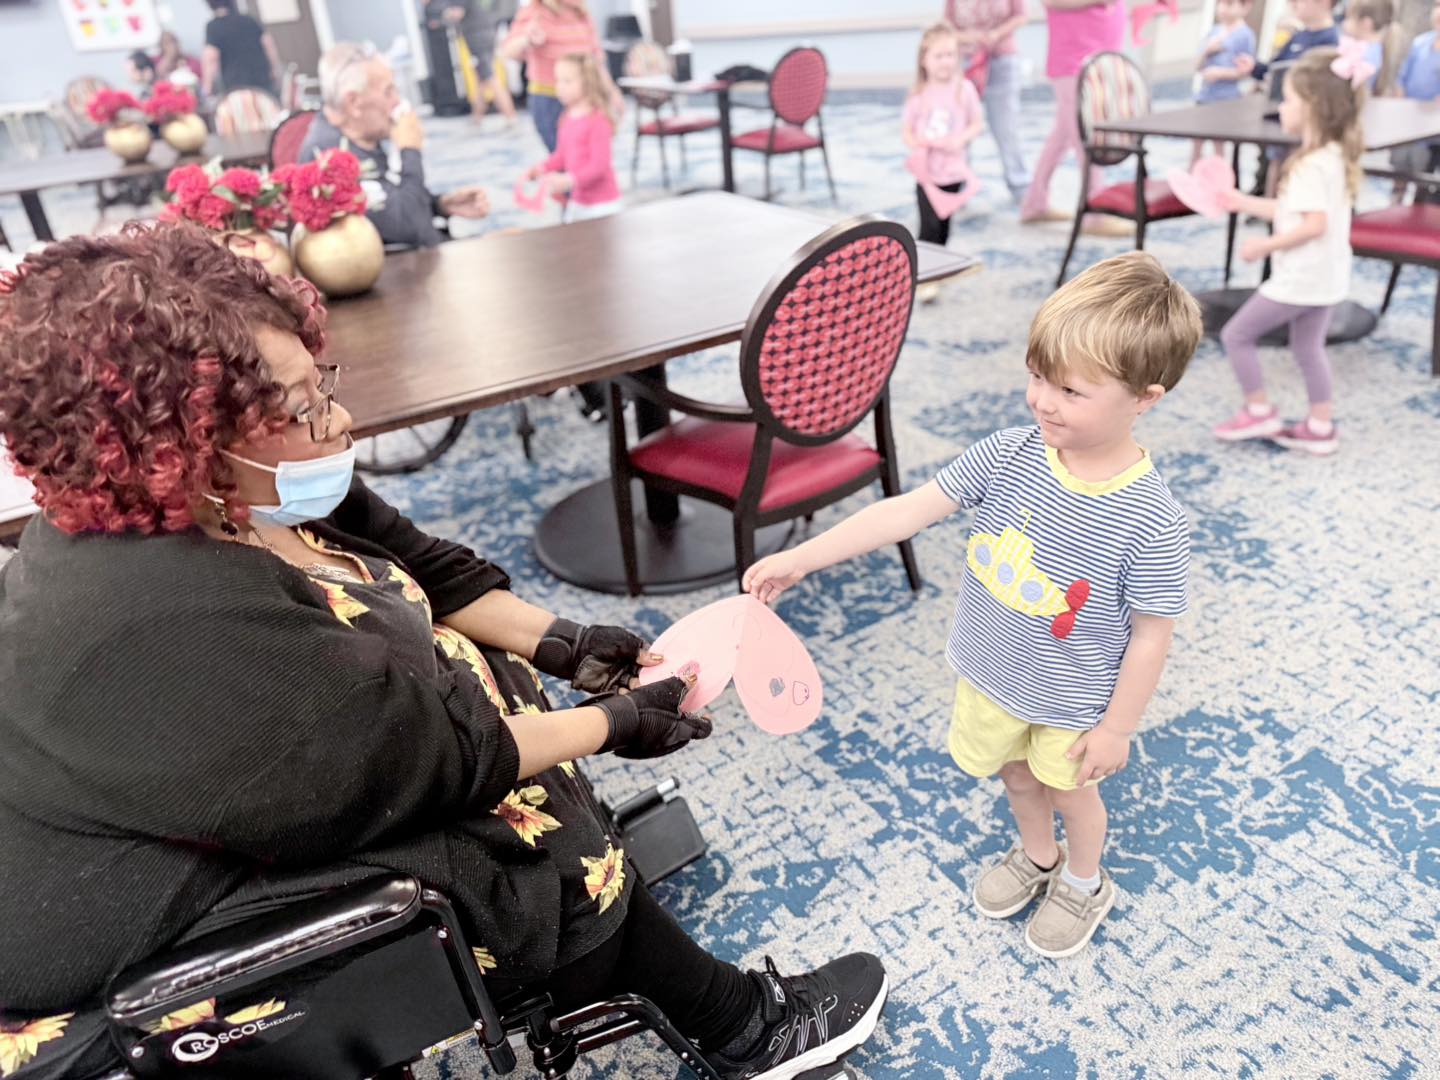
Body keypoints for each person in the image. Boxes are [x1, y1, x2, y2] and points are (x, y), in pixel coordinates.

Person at [0, 223, 890, 1080]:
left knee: (474, 667)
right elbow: (436, 759)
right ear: (190, 447)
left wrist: (565, 644)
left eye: (323, 385)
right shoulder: (165, 622)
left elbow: (427, 570)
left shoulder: (248, 495)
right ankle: (735, 1026)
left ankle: (618, 896)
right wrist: (609, 724)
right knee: (496, 849)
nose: (339, 418)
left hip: (251, 780)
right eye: (306, 407)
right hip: (125, 920)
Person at [746, 251, 1202, 959]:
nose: (1042, 401)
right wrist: (802, 557)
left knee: (1073, 793)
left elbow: (1151, 634)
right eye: (1036, 378)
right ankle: (1038, 855)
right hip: (992, 674)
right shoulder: (1007, 454)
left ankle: (1084, 879)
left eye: (1071, 391)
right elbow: (906, 512)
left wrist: (1118, 728)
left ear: (1146, 396)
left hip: (1074, 701)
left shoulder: (1150, 518)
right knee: (1014, 776)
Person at [1213, 48, 1362, 456]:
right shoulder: (1331, 157)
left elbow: (1314, 225)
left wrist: (1264, 245)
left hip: (1299, 278)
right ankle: (1320, 424)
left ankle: (1258, 409)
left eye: (1290, 99)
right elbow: (1294, 212)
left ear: (1313, 107)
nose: (1282, 106)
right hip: (1327, 277)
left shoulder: (1310, 165)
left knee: (1236, 334)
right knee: (1307, 348)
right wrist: (1243, 201)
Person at [300, 42, 492, 249]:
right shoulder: (331, 159)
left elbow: (389, 202)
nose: (398, 102)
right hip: (409, 268)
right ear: (354, 103)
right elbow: (409, 227)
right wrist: (410, 150)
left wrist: (439, 205)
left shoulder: (358, 135)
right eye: (388, 92)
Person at [1018, 0, 1131, 235]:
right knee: (1086, 133)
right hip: (1074, 60)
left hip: (1096, 55)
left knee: (1062, 135)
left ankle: (1035, 203)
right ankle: (1095, 211)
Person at [903, 23, 984, 303]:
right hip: (926, 174)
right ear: (924, 60)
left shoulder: (965, 90)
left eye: (950, 54)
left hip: (953, 172)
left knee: (944, 225)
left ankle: (934, 265)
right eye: (939, 55)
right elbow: (907, 131)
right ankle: (924, 273)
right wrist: (917, 141)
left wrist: (960, 138)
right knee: (929, 226)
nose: (946, 61)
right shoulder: (919, 93)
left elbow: (977, 123)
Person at [944, 0, 1032, 203]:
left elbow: (1021, 15)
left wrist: (996, 34)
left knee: (1006, 128)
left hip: (1001, 59)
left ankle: (1020, 187)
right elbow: (947, 26)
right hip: (964, 63)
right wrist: (968, 37)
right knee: (958, 128)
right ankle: (957, 188)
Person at [502, 0, 617, 152]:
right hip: (549, 99)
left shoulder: (580, 12)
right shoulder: (535, 11)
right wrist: (528, 40)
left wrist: (611, 92)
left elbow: (596, 58)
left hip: (586, 98)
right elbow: (509, 51)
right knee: (565, 158)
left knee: (589, 155)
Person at [526, 52, 622, 221]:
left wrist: (570, 180)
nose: (559, 87)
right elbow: (562, 156)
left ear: (587, 83)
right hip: (578, 201)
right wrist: (543, 167)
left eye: (567, 81)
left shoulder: (597, 120)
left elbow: (599, 165)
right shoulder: (566, 117)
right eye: (557, 80)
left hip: (603, 205)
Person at [428, 0, 519, 124]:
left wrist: (442, 15)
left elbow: (457, 13)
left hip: (477, 37)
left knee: (490, 77)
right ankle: (477, 117)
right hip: (485, 33)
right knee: (481, 77)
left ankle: (511, 116)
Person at [1193, 0, 1257, 161]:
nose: (1222, 9)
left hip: (1226, 97)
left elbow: (1246, 70)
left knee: (1218, 142)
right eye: (1220, 3)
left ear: (1245, 7)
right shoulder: (1214, 32)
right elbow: (1197, 65)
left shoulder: (1245, 35)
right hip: (1205, 95)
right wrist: (1207, 50)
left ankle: (1219, 182)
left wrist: (1221, 73)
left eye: (1229, 4)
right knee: (1196, 139)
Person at [1389, 0, 1440, 177]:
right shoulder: (1420, 43)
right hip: (1407, 121)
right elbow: (1402, 76)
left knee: (1423, 175)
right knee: (1398, 168)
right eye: (1437, 6)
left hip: (1431, 133)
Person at [201, 0, 281, 98]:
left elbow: (211, 58)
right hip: (262, 78)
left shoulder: (213, 26)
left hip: (236, 85)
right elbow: (269, 44)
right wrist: (274, 69)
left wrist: (207, 87)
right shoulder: (248, 19)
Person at [1342, 0, 1404, 91]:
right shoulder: (1370, 50)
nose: (1344, 24)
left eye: (1349, 18)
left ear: (1366, 23)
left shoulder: (1367, 56)